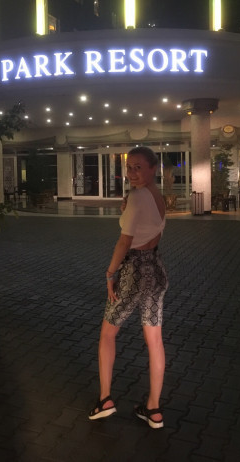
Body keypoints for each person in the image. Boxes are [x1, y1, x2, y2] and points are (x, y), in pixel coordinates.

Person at [88, 147, 168, 429]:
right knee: (154, 341)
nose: (132, 173)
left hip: (133, 271)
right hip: (155, 270)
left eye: (138, 167)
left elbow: (125, 241)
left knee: (107, 334)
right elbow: (148, 226)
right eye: (129, 167)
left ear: (153, 168)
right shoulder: (156, 195)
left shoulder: (137, 196)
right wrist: (128, 208)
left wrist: (110, 273)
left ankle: (105, 400)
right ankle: (154, 409)